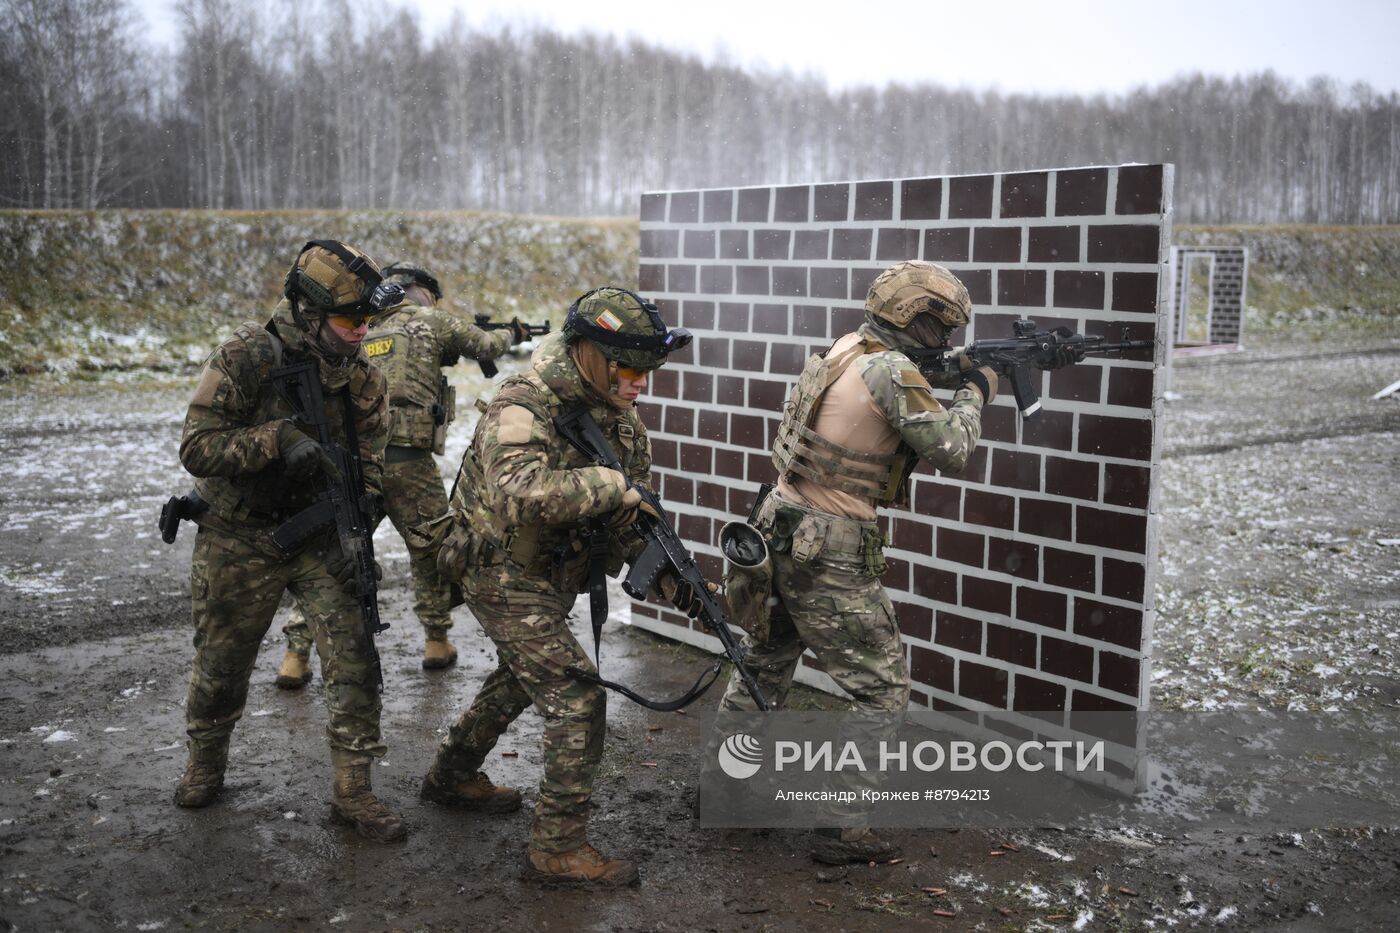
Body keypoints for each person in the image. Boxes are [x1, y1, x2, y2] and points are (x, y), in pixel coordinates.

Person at [717, 260, 998, 864]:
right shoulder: (891, 370)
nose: (943, 339)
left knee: (764, 667)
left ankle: (727, 793)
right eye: (936, 326)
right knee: (881, 692)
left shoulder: (848, 347)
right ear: (912, 318)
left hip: (779, 530)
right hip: (830, 547)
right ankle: (841, 829)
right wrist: (977, 392)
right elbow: (953, 449)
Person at [420, 287, 692, 887]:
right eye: (629, 369)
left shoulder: (620, 423)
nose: (640, 384)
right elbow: (520, 488)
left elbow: (629, 515)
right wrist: (607, 485)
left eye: (648, 370)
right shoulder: (525, 402)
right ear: (592, 354)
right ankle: (557, 847)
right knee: (577, 697)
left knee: (521, 676)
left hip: (551, 572)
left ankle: (450, 776)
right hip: (497, 567)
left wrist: (671, 576)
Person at [173, 239, 406, 842]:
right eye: (349, 319)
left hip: (321, 536)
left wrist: (362, 520)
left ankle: (354, 792)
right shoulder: (247, 357)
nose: (361, 332)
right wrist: (276, 440)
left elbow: (374, 462)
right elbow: (196, 447)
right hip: (239, 535)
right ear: (308, 312)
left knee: (357, 657)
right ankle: (206, 762)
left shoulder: (365, 380)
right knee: (223, 665)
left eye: (368, 321)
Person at [275, 262, 530, 684]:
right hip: (408, 460)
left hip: (354, 460)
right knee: (432, 548)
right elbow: (485, 345)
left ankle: (295, 656)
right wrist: (514, 333)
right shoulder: (430, 320)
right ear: (422, 292)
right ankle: (435, 641)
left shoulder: (361, 325)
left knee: (335, 556)